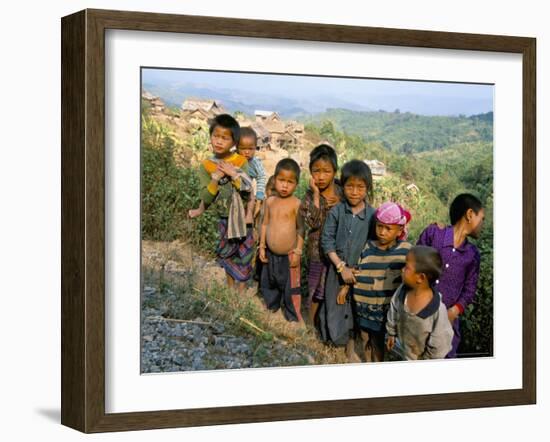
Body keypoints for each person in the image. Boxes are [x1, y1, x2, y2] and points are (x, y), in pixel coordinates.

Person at [189, 114, 254, 292]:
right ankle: (230, 290)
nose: (219, 141)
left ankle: (240, 293)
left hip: (242, 221)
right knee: (227, 256)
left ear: (233, 142)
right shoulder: (206, 166)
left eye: (224, 138)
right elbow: (206, 196)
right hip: (224, 220)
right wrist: (215, 180)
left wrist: (233, 174)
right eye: (216, 136)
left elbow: (248, 189)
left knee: (244, 255)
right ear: (210, 137)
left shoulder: (240, 161)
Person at [320, 160, 375, 361]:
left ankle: (350, 348)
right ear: (342, 186)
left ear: (367, 188)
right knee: (334, 307)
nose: (354, 192)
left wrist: (355, 271)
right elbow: (327, 241)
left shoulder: (372, 215)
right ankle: (332, 343)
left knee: (354, 312)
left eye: (360, 187)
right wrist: (341, 267)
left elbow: (373, 245)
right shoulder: (336, 212)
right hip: (337, 271)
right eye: (349, 186)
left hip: (360, 275)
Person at [416, 193, 484, 357]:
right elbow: (414, 263)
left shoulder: (472, 254)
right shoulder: (434, 233)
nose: (483, 224)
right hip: (419, 317)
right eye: (481, 219)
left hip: (447, 323)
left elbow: (469, 289)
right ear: (469, 214)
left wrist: (454, 311)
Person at [353, 202, 412, 362]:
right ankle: (368, 363)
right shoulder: (367, 247)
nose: (382, 232)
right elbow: (356, 268)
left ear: (399, 230)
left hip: (386, 312)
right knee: (366, 339)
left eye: (388, 228)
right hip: (363, 307)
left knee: (379, 343)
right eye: (379, 226)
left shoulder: (405, 250)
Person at [299, 144, 343, 325]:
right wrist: (317, 196)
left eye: (327, 171)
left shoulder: (343, 191)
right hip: (316, 251)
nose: (321, 176)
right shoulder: (309, 196)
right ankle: (310, 323)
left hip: (338, 251)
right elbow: (313, 222)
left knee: (331, 289)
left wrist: (341, 203)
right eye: (316, 171)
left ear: (335, 171)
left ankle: (326, 325)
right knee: (315, 288)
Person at [386, 245, 454, 360]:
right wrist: (391, 333)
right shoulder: (402, 292)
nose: (402, 270)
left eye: (406, 267)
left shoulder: (436, 310)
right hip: (401, 351)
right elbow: (393, 310)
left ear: (421, 278)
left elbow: (439, 344)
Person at [258, 159, 305, 323]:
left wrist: (298, 251)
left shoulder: (296, 204)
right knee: (269, 281)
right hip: (270, 253)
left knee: (289, 287)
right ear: (275, 179)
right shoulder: (269, 202)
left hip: (289, 255)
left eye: (290, 182)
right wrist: (262, 246)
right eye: (281, 180)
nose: (285, 186)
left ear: (296, 184)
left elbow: (300, 229)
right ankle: (272, 307)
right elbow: (264, 224)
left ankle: (292, 316)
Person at [236, 127, 267, 225]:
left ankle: (249, 216)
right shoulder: (233, 158)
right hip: (232, 190)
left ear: (255, 147)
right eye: (243, 148)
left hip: (247, 191)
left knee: (251, 199)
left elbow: (261, 176)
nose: (247, 152)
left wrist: (260, 193)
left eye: (250, 149)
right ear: (236, 147)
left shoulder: (255, 163)